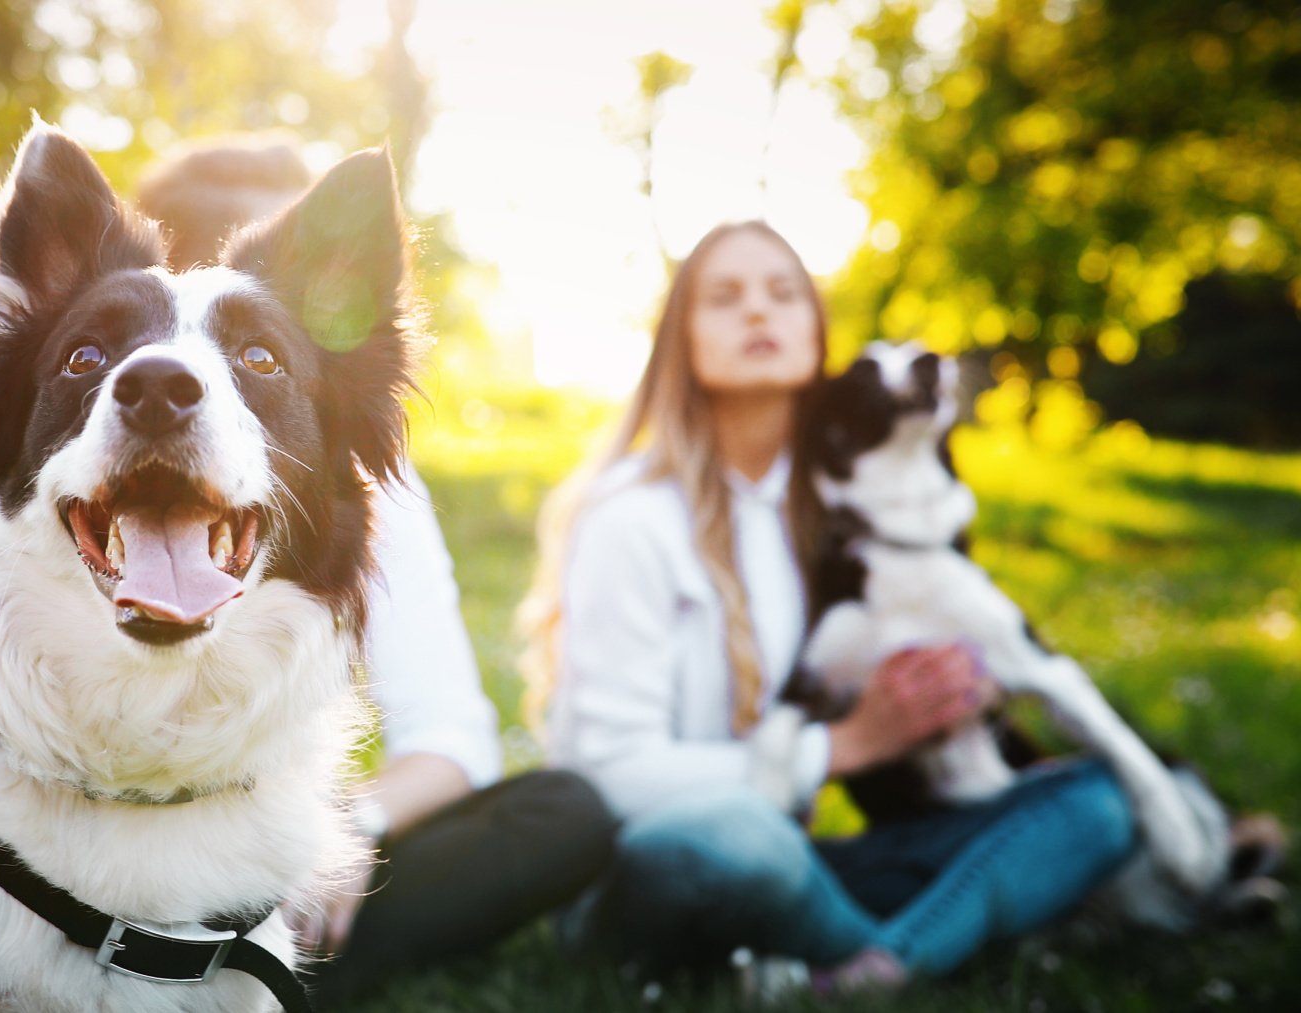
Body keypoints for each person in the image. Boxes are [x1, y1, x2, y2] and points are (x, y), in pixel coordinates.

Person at [518, 221, 1139, 990]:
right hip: (652, 868)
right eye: (725, 297)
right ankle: (912, 944)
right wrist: (843, 747)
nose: (758, 312)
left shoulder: (821, 521)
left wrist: (940, 693)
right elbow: (608, 778)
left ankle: (867, 965)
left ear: (818, 334)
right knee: (743, 839)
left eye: (784, 293)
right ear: (680, 340)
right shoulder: (632, 517)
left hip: (788, 858)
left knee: (1096, 801)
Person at [136, 138, 617, 1000]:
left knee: (561, 813)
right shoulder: (85, 458)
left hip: (290, 847)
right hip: (94, 836)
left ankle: (261, 957)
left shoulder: (356, 485)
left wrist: (334, 836)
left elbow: (450, 738)